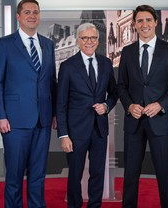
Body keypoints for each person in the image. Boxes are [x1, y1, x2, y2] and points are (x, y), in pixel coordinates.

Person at [0, 0, 56, 208]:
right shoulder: (4, 44)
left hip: (43, 119)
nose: (32, 16)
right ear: (18, 16)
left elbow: (51, 82)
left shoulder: (48, 44)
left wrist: (54, 113)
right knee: (15, 175)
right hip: (14, 120)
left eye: (35, 12)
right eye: (27, 12)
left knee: (38, 174)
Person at [117, 5, 168, 208]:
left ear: (155, 22)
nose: (144, 24)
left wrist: (161, 105)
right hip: (134, 122)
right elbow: (121, 86)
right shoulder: (127, 52)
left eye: (148, 20)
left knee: (164, 174)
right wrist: (129, 106)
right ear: (134, 25)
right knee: (130, 175)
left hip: (160, 121)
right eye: (140, 21)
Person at [56, 22, 118, 208]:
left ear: (98, 41)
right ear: (78, 41)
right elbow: (60, 103)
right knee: (75, 174)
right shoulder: (67, 66)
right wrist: (63, 134)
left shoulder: (106, 63)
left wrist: (106, 106)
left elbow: (114, 93)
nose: (89, 42)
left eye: (93, 38)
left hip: (99, 128)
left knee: (98, 173)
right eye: (85, 38)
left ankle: (95, 205)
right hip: (75, 131)